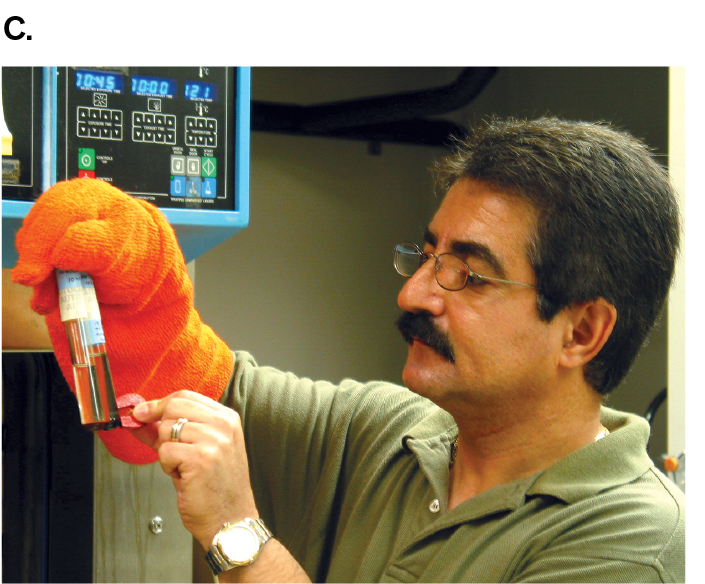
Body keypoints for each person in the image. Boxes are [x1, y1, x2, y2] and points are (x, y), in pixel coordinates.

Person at [13, 117, 684, 582]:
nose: (415, 294)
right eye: (427, 257)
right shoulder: (386, 433)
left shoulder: (633, 541)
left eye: (468, 274)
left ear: (581, 332)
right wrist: (140, 270)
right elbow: (196, 382)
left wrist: (235, 534)